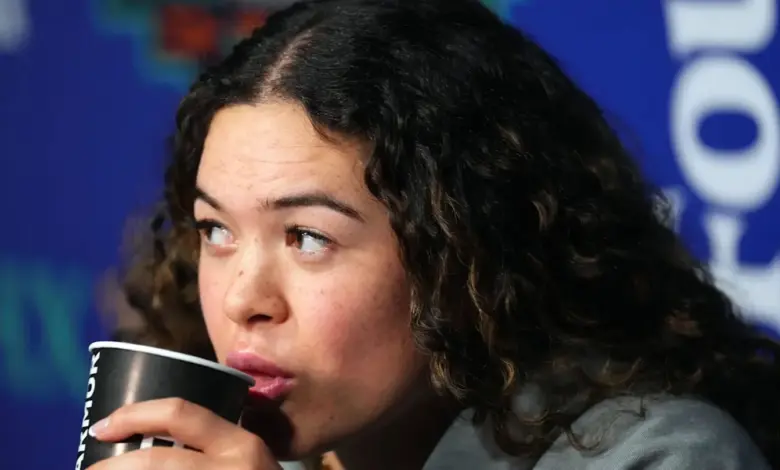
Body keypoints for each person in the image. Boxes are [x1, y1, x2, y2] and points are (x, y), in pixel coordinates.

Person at [88, 0, 780, 468]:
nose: (243, 299)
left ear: (466, 246)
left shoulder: (661, 456)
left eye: (307, 237)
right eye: (216, 230)